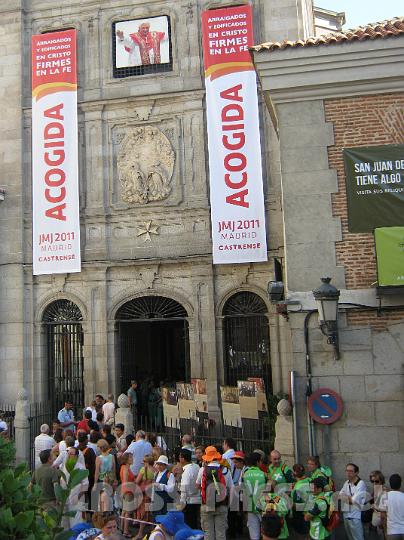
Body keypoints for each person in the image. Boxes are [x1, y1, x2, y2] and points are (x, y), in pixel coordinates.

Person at [196, 445, 233, 540]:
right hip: (222, 504)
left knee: (208, 534)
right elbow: (231, 488)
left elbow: (197, 486)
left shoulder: (202, 470)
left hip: (206, 505)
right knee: (221, 534)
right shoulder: (225, 470)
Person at [61, 446, 89, 528]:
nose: (69, 455)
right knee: (65, 522)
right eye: (68, 453)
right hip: (66, 499)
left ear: (76, 456)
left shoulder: (81, 467)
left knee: (76, 522)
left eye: (71, 454)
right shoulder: (65, 466)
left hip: (77, 499)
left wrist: (77, 497)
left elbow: (85, 484)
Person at [243, 452, 267, 540]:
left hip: (250, 507)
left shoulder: (245, 473)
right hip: (262, 508)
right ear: (257, 462)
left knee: (254, 535)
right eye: (261, 461)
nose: (262, 463)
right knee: (266, 532)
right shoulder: (263, 474)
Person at [339, 462, 367, 540]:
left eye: (351, 471)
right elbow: (340, 495)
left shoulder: (361, 484)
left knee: (358, 538)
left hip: (355, 517)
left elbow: (353, 501)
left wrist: (348, 498)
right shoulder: (346, 483)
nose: (348, 473)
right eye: (347, 470)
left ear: (356, 472)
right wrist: (349, 498)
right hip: (346, 515)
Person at [179, 449, 201, 529]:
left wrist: (181, 504)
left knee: (189, 524)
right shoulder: (196, 466)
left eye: (180, 457)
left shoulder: (186, 471)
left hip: (189, 502)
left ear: (183, 459)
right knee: (195, 522)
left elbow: (184, 490)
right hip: (198, 499)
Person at [135, 454, 155, 540]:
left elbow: (137, 481)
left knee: (143, 513)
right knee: (150, 513)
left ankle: (140, 533)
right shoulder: (155, 470)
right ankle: (153, 532)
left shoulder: (143, 469)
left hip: (144, 495)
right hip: (152, 494)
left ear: (147, 462)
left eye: (144, 461)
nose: (143, 463)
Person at [379, 473, 404, 540]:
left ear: (390, 483)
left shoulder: (385, 496)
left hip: (392, 531)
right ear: (401, 483)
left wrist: (385, 531)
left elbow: (382, 517)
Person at [94, 439, 116, 511]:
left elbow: (97, 472)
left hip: (102, 480)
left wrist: (95, 483)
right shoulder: (112, 456)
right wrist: (114, 479)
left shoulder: (98, 458)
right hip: (110, 480)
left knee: (102, 501)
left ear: (100, 448)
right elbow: (113, 469)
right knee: (109, 499)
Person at [290, 463, 311, 536]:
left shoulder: (298, 488)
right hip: (312, 514)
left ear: (294, 473)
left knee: (302, 535)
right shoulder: (310, 480)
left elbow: (297, 507)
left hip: (302, 517)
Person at [120, 452, 136, 537]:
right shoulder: (126, 468)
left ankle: (122, 529)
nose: (132, 459)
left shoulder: (124, 467)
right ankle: (126, 531)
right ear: (127, 459)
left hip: (125, 491)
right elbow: (126, 482)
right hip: (128, 492)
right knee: (128, 512)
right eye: (131, 458)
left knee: (124, 511)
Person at [77, 431, 96, 495]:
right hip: (89, 476)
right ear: (86, 440)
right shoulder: (90, 451)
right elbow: (94, 463)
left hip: (77, 475)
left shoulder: (75, 450)